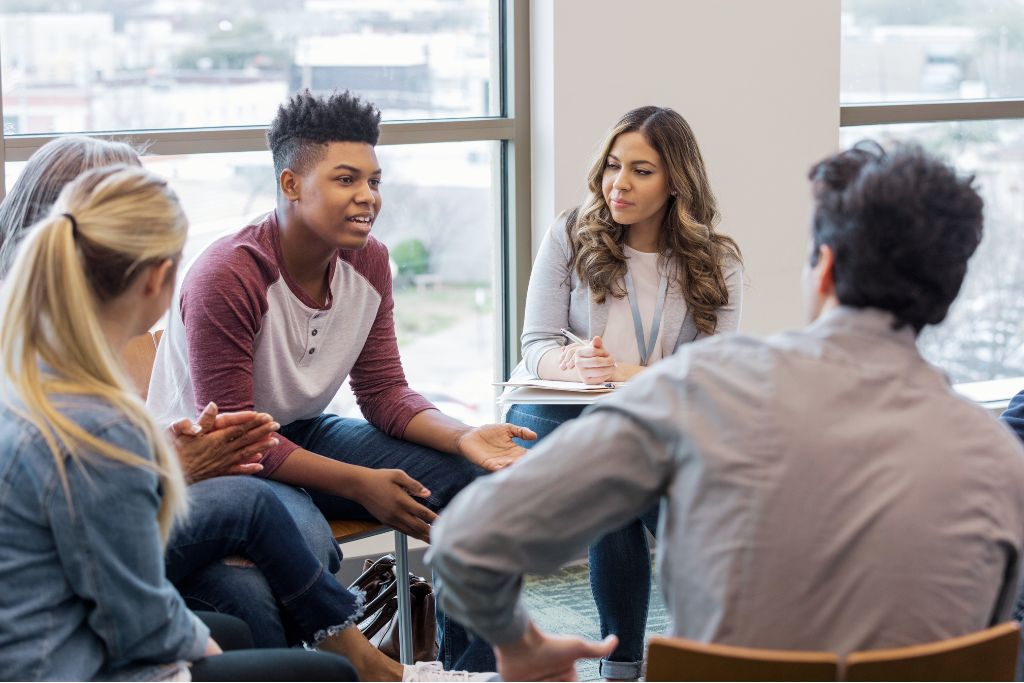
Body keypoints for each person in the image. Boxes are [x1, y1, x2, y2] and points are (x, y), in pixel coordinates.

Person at [429, 141, 1024, 681]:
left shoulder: (701, 387)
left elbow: (464, 546)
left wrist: (523, 642)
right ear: (945, 297)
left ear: (825, 268)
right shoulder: (1002, 459)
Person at [146, 88, 535, 672]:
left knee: (475, 486)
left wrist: (463, 437)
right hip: (216, 460)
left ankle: (462, 670)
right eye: (346, 179)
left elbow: (382, 392)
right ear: (290, 184)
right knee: (303, 543)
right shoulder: (228, 276)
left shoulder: (369, 262)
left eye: (374, 181)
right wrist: (359, 483)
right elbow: (240, 440)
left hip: (302, 431)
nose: (367, 197)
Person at [0, 164, 356, 681]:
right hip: (68, 663)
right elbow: (134, 624)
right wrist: (201, 650)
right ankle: (355, 659)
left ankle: (349, 647)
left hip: (41, 632)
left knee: (238, 614)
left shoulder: (33, 372)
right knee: (323, 676)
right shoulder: (97, 423)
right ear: (158, 278)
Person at [503, 105, 742, 680]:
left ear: (676, 182)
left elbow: (708, 373)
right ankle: (680, 656)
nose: (619, 184)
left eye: (641, 170)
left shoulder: (716, 261)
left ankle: (628, 667)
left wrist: (633, 377)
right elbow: (534, 343)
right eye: (613, 166)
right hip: (560, 414)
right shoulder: (569, 233)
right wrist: (569, 360)